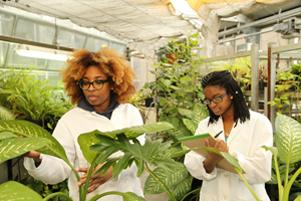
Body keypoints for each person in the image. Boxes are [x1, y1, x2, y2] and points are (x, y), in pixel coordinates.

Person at [24, 48, 145, 201]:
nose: (91, 88)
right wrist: (39, 159)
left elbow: (139, 155)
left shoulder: (130, 113)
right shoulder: (70, 120)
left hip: (130, 195)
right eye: (85, 82)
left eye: (98, 81)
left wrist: (112, 169)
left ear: (113, 83)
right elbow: (59, 168)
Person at [184, 70, 273, 201]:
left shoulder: (259, 123)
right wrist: (211, 160)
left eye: (217, 98)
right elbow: (191, 163)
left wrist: (229, 157)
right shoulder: (205, 125)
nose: (212, 104)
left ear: (231, 93)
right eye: (208, 100)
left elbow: (262, 171)